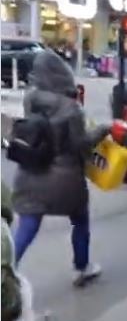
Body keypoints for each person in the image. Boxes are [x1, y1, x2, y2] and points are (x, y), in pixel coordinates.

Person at [11, 52, 110, 286]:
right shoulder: (71, 108)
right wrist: (104, 130)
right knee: (80, 220)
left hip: (31, 171)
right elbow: (80, 144)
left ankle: (5, 270)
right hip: (64, 177)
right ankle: (81, 267)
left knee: (28, 223)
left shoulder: (30, 99)